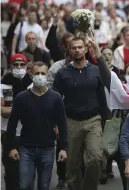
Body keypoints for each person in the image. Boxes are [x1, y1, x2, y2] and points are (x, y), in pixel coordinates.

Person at [53, 37, 109, 190]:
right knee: (72, 164)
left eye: (80, 47)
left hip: (93, 120)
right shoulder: (62, 73)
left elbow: (102, 97)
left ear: (86, 49)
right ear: (69, 51)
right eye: (74, 48)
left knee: (95, 159)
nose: (77, 50)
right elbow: (55, 101)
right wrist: (56, 124)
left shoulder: (95, 70)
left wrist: (106, 120)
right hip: (70, 121)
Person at [92, 38, 129, 189]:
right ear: (124, 75)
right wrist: (97, 53)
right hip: (122, 138)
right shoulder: (119, 88)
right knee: (126, 176)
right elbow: (105, 73)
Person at [6, 62, 68, 190]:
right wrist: (11, 147)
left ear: (48, 74)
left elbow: (62, 125)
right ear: (31, 75)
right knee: (25, 185)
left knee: (44, 186)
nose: (40, 76)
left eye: (43, 73)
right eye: (37, 73)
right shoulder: (21, 98)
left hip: (48, 148)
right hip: (26, 149)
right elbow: (12, 124)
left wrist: (63, 148)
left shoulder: (56, 98)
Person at [1, 54, 32, 190]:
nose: (19, 68)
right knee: (11, 170)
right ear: (11, 66)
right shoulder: (3, 84)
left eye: (22, 65)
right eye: (16, 65)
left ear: (26, 66)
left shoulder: (32, 84)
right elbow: (2, 110)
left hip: (27, 133)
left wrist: (13, 109)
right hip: (8, 132)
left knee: (26, 171)